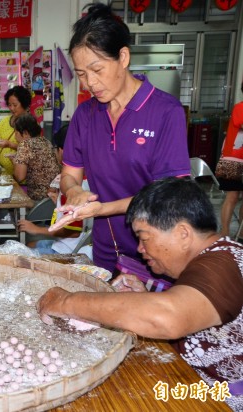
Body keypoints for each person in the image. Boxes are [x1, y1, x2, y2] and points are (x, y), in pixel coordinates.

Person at [37, 177, 243, 411]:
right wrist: (145, 297)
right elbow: (193, 313)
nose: (139, 249)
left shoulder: (225, 264)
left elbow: (168, 318)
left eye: (144, 238)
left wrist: (66, 301)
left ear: (183, 233)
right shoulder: (213, 259)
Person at [48, 3, 190, 272]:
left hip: (156, 252)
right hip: (107, 249)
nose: (90, 83)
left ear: (123, 58)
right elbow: (69, 174)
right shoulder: (85, 115)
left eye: (97, 70)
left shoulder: (164, 112)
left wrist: (102, 209)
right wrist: (74, 191)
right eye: (81, 74)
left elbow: (168, 198)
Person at [18, 124, 92, 259]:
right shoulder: (88, 180)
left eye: (55, 149)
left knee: (21, 256)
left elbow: (72, 232)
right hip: (70, 244)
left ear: (63, 151)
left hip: (66, 250)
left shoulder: (69, 188)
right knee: (30, 244)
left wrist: (36, 229)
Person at [11, 113, 60, 201]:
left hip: (39, 199)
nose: (15, 136)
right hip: (54, 197)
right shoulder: (46, 141)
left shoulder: (25, 144)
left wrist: (14, 162)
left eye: (16, 132)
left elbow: (19, 177)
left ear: (25, 133)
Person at [218, 79, 243, 237]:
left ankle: (241, 233)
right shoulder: (239, 108)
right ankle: (225, 232)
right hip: (234, 159)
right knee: (232, 196)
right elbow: (240, 123)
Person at [0, 85, 32, 175]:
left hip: (20, 177)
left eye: (15, 105)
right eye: (9, 105)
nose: (11, 108)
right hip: (4, 173)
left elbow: (32, 151)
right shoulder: (6, 120)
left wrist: (10, 144)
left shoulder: (31, 124)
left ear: (24, 104)